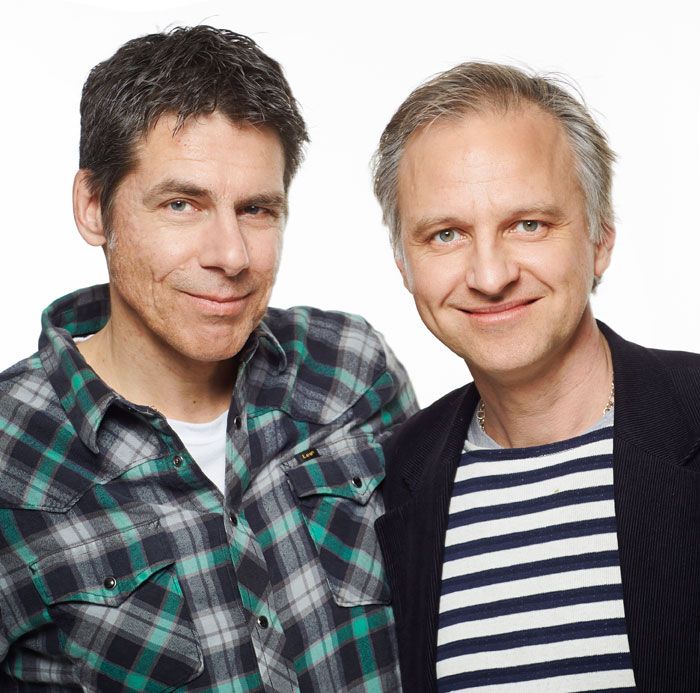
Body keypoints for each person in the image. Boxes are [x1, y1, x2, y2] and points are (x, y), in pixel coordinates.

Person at [0, 26, 416, 691]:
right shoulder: (10, 453)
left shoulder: (353, 374)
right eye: (182, 204)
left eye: (256, 209)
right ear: (93, 207)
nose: (231, 254)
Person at [372, 61, 700, 692]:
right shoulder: (394, 481)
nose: (490, 275)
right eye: (446, 234)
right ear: (404, 264)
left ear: (601, 238)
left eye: (529, 225)